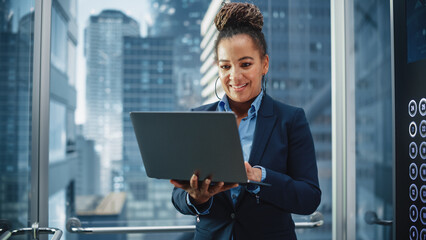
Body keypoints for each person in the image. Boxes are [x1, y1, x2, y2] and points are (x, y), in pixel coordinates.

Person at [170, 2, 321, 239]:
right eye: (226, 66)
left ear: (264, 64)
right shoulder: (198, 118)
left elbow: (309, 197)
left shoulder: (290, 120)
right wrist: (195, 197)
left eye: (246, 64)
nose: (235, 76)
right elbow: (178, 195)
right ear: (217, 69)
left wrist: (257, 176)